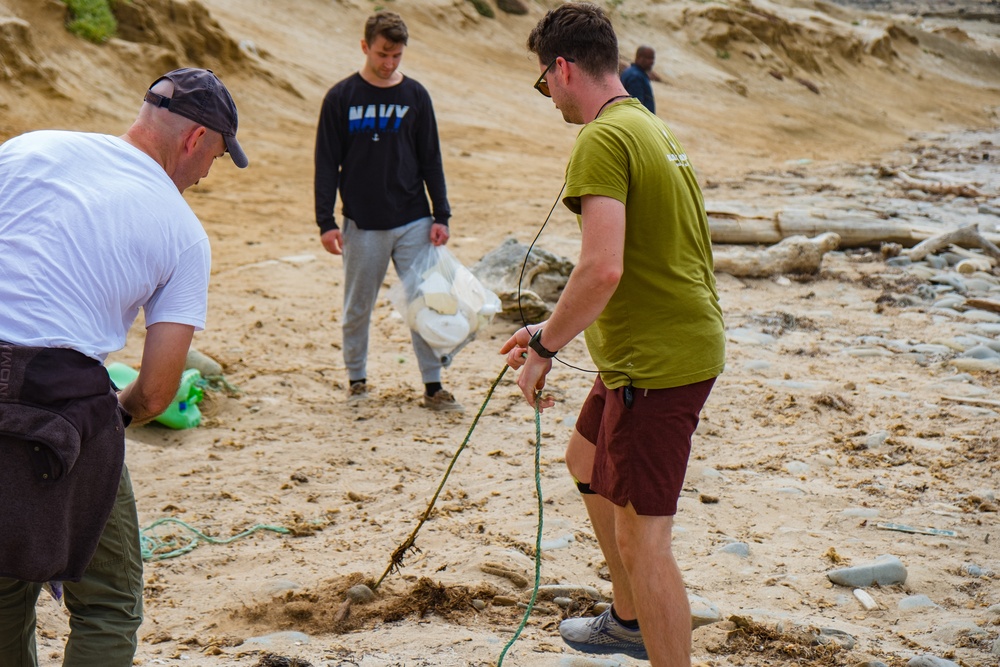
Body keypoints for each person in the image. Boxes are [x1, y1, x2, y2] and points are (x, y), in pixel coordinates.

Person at [0, 67, 247, 667]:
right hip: (65, 405)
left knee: (3, 588)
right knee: (109, 601)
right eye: (215, 155)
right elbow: (157, 392)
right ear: (194, 140)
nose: (208, 173)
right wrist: (119, 412)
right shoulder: (183, 231)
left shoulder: (28, 147)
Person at [501, 4, 724, 665]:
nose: (549, 97)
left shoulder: (601, 138)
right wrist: (551, 323)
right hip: (658, 351)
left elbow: (602, 266)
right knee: (582, 458)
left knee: (644, 543)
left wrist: (544, 350)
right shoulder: (652, 128)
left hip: (657, 368)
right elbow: (643, 260)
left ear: (562, 68)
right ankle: (628, 619)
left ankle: (655, 637)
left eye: (545, 84)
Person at [314, 11, 462, 412]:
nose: (389, 63)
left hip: (414, 218)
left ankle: (434, 386)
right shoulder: (340, 98)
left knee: (424, 303)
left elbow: (431, 158)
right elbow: (327, 163)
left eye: (397, 55)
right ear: (365, 47)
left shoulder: (416, 96)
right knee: (357, 306)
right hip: (362, 223)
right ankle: (357, 380)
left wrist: (441, 215)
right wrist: (325, 221)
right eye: (382, 54)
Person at [620, 45, 656, 113]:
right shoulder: (636, 77)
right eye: (649, 58)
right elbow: (637, 106)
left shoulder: (631, 72)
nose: (652, 62)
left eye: (653, 58)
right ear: (639, 57)